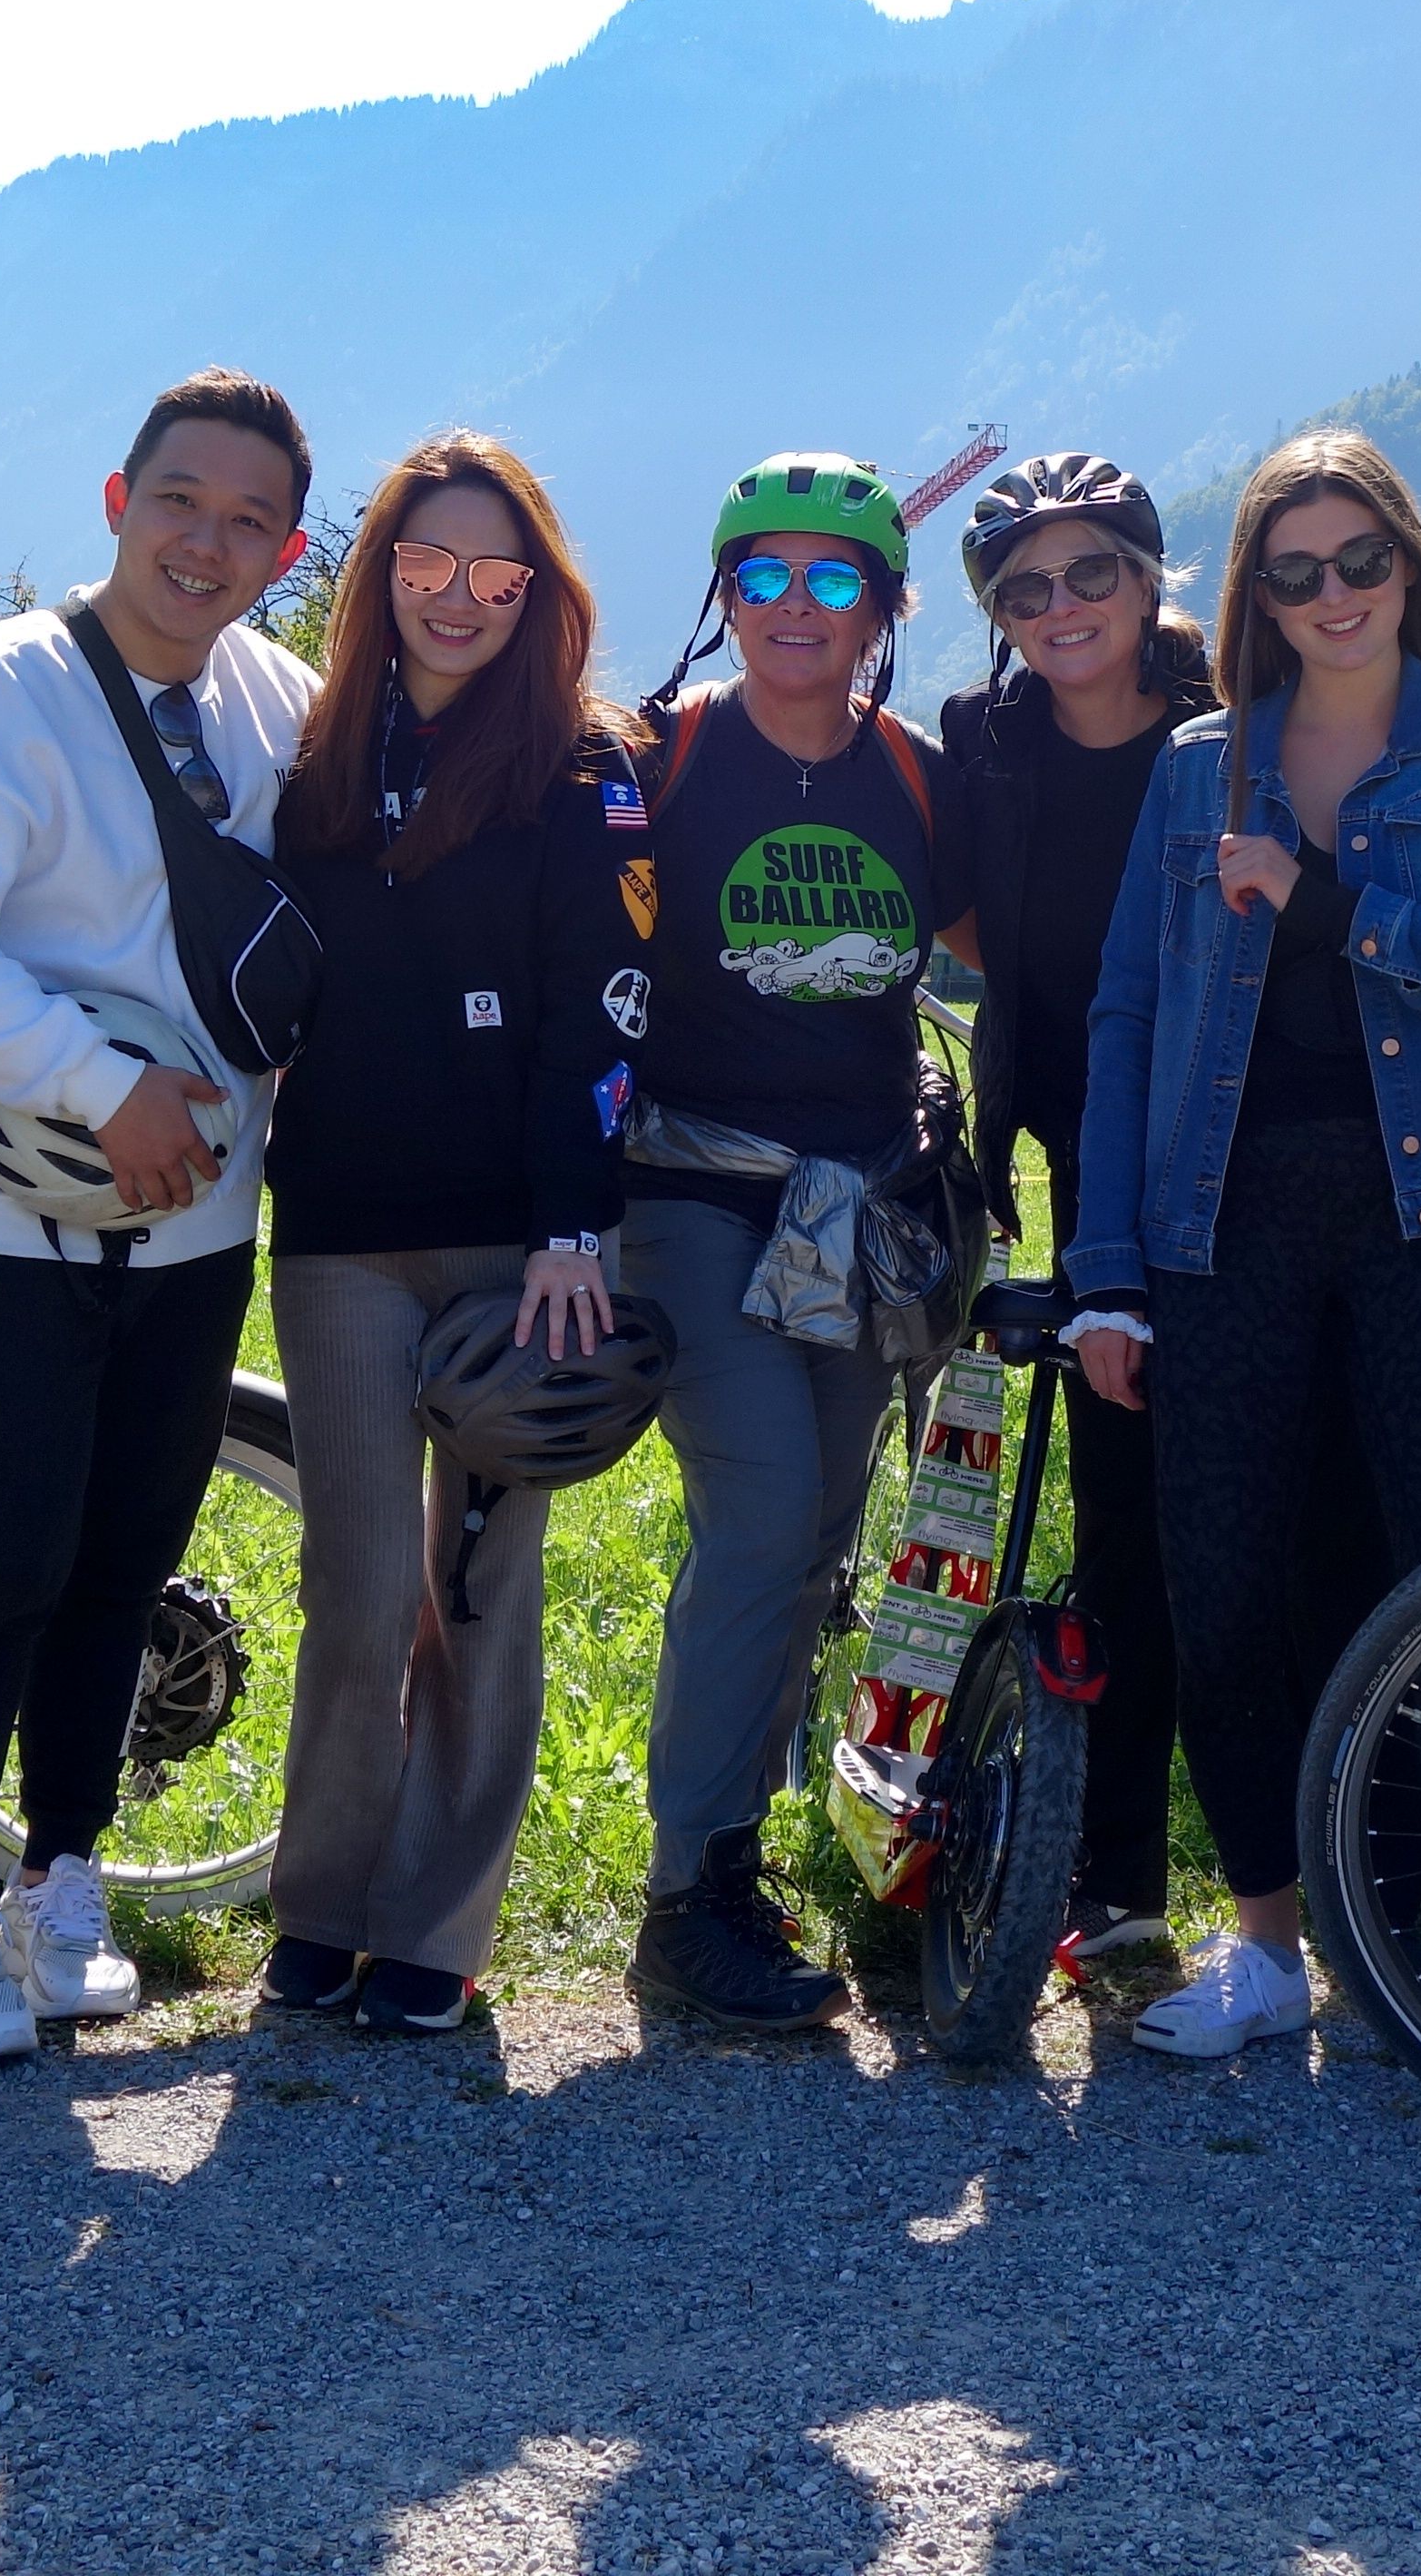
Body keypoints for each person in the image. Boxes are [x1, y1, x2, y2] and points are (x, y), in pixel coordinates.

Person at [1066, 433, 1421, 2078]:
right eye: (1290, 569)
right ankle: (1267, 1944)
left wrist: (1343, 911)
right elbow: (1129, 1016)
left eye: (1357, 557)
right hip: (1221, 1214)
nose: (1331, 593)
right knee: (1221, 1584)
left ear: (1408, 566)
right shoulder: (1197, 768)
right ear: (1254, 594)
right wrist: (1101, 1262)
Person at [0, 369, 318, 2066]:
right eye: (180, 500)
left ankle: (60, 1881)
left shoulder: (281, 703)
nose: (209, 540)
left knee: (122, 1560)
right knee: (0, 1552)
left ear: (285, 543)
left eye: (249, 516)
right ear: (116, 501)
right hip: (10, 1206)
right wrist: (90, 1081)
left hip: (198, 1217)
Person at [255, 432, 652, 2038]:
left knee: (480, 1594)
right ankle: (326, 1898)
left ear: (537, 588)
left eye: (499, 569)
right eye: (427, 562)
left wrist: (576, 1220)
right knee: (355, 1588)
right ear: (380, 574)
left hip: (515, 1249)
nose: (460, 595)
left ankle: (437, 1925)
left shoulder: (584, 763)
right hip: (339, 1228)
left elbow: (605, 1009)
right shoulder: (320, 755)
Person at [613, 452, 977, 2034]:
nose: (793, 607)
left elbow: (1000, 945)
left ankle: (744, 1855)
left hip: (861, 1209)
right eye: (759, 575)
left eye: (834, 579)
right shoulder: (662, 758)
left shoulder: (911, 778)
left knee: (820, 1532)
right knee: (763, 1517)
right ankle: (684, 1891)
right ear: (720, 597)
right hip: (691, 1193)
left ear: (885, 607)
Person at [936, 451, 1210, 1971]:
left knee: (1243, 1502)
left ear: (1145, 574)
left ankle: (1324, 1845)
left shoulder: (1232, 725)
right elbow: (969, 912)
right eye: (1023, 588)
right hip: (1071, 1149)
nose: (1060, 606)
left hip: (1231, 1139)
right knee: (1118, 1511)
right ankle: (1117, 1870)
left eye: (1089, 572)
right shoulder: (981, 736)